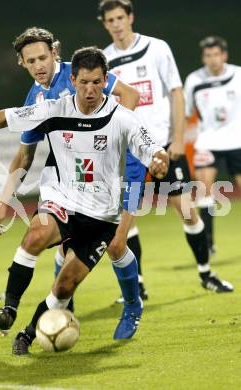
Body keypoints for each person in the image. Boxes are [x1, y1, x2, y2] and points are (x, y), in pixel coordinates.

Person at [0, 46, 169, 354]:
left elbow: (152, 147)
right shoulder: (53, 108)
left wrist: (159, 160)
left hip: (101, 215)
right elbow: (7, 116)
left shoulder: (122, 118)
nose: (90, 89)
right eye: (84, 82)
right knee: (35, 234)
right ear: (72, 79)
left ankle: (43, 329)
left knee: (65, 285)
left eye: (97, 82)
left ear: (105, 81)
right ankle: (9, 310)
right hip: (63, 200)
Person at [0, 26, 147, 336]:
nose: (39, 66)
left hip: (112, 168)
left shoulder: (78, 73)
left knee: (117, 245)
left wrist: (107, 132)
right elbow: (25, 155)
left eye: (43, 57)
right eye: (31, 60)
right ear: (22, 62)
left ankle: (132, 305)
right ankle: (41, 307)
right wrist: (4, 201)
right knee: (52, 239)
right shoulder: (36, 96)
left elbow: (130, 95)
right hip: (71, 179)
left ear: (55, 54)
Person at [98, 0, 233, 298]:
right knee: (126, 219)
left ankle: (206, 274)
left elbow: (176, 91)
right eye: (111, 20)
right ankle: (138, 286)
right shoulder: (104, 60)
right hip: (129, 152)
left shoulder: (157, 48)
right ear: (105, 24)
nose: (117, 24)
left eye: (121, 17)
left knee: (186, 212)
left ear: (130, 17)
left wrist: (178, 139)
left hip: (162, 145)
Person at [184, 36, 241, 256]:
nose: (213, 59)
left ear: (224, 55)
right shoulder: (194, 80)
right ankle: (207, 244)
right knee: (204, 190)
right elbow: (187, 112)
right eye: (208, 55)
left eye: (216, 54)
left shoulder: (238, 75)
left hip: (237, 140)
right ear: (203, 57)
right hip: (207, 141)